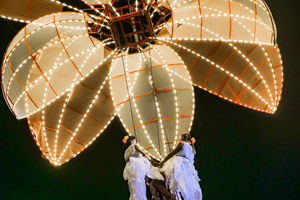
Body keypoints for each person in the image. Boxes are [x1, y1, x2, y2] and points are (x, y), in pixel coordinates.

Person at [152, 133, 202, 200]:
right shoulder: (192, 149)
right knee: (168, 186)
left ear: (183, 137)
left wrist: (158, 164)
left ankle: (169, 197)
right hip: (185, 173)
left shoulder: (181, 143)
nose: (179, 139)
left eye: (180, 137)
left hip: (176, 168)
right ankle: (169, 196)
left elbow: (170, 155)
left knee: (156, 181)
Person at [123, 135, 151, 200]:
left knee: (133, 185)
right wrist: (151, 160)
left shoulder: (126, 151)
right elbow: (144, 154)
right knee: (140, 183)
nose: (135, 141)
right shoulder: (135, 146)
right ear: (131, 141)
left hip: (130, 168)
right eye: (134, 140)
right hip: (138, 165)